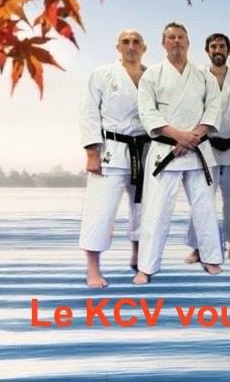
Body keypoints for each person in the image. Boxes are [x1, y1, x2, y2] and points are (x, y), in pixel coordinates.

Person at [133, 23, 223, 284]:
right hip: (165, 150)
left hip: (197, 149)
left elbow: (213, 108)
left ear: (188, 42)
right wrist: (178, 136)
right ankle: (146, 267)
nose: (176, 41)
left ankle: (210, 258)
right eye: (171, 37)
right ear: (163, 43)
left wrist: (192, 137)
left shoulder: (203, 75)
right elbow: (147, 113)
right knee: (156, 211)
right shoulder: (152, 76)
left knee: (205, 209)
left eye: (180, 37)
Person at [79, 29, 150, 288]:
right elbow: (89, 112)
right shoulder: (102, 74)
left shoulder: (153, 76)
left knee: (144, 208)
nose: (131, 46)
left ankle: (138, 255)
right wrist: (91, 152)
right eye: (125, 42)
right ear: (118, 47)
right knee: (100, 209)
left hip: (146, 149)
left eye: (136, 42)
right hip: (112, 149)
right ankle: (93, 268)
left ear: (144, 47)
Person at [184, 34, 230, 263]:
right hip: (205, 147)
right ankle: (198, 246)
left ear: (228, 51)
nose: (218, 50)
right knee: (202, 197)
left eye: (222, 46)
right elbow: (190, 111)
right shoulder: (197, 78)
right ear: (207, 51)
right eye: (213, 46)